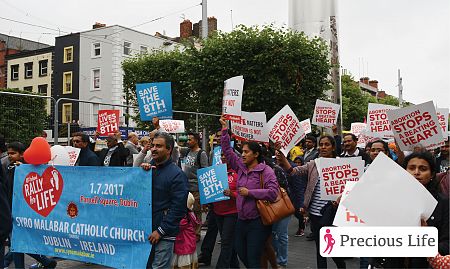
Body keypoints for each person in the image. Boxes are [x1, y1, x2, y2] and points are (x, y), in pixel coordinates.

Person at [277, 135, 346, 269]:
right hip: (315, 213)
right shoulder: (314, 163)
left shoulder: (341, 164)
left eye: (327, 144)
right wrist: (282, 156)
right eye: (321, 144)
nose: (323, 147)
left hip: (333, 212)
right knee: (320, 246)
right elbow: (293, 171)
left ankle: (340, 265)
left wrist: (340, 198)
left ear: (333, 147)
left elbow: (350, 186)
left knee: (332, 246)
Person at [370, 151, 449, 268]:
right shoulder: (388, 198)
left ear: (432, 174)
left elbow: (447, 244)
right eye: (411, 168)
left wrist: (425, 239)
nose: (416, 172)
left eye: (423, 169)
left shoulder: (444, 203)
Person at [219, 116, 279, 268]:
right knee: (241, 253)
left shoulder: (266, 171)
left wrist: (250, 193)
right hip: (241, 220)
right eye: (242, 152)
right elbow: (227, 150)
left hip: (258, 222)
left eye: (246, 152)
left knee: (253, 257)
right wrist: (225, 129)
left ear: (256, 154)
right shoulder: (241, 167)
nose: (243, 154)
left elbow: (273, 193)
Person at [4, 142, 57, 269]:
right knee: (17, 243)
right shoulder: (10, 167)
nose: (10, 156)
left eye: (13, 153)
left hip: (23, 211)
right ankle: (45, 262)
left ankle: (44, 262)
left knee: (17, 242)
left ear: (22, 154)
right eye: (8, 153)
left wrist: (22, 169)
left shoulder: (28, 168)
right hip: (12, 208)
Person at [141, 132, 188, 268]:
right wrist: (140, 174)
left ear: (169, 149)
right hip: (146, 230)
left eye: (159, 146)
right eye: (153, 145)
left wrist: (161, 231)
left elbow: (178, 209)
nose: (154, 149)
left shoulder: (177, 175)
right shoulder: (148, 170)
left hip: (163, 235)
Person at [180, 132, 209, 241]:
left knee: (196, 212)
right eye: (188, 140)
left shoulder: (201, 154)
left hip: (196, 188)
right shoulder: (187, 151)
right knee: (187, 211)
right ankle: (189, 232)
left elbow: (205, 172)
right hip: (186, 188)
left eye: (190, 139)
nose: (188, 141)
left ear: (196, 141)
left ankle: (196, 235)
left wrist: (204, 192)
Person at [214, 153, 239, 269]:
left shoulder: (238, 172)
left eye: (226, 155)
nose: (223, 157)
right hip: (218, 212)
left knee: (225, 242)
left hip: (232, 213)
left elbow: (244, 193)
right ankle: (235, 265)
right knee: (229, 242)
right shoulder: (215, 171)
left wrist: (232, 194)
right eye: (222, 155)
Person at [172, 192, 200, 269]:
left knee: (182, 262)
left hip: (183, 245)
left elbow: (175, 226)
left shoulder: (182, 217)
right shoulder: (190, 214)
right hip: (189, 244)